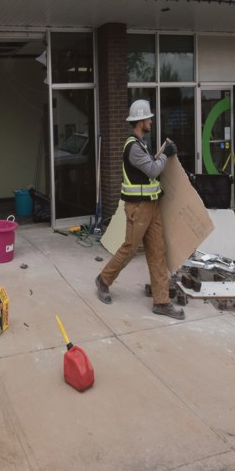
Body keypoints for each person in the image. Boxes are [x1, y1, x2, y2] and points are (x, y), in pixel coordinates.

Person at [95, 99, 184, 319]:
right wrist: (166, 154)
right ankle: (104, 280)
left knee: (157, 253)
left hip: (152, 206)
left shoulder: (141, 144)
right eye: (149, 118)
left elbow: (151, 171)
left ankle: (161, 302)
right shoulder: (133, 147)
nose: (151, 121)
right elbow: (153, 170)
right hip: (138, 208)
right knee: (129, 249)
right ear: (140, 121)